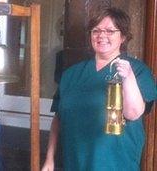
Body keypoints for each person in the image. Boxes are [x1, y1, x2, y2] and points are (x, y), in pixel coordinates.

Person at [42, 7, 157, 171]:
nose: (102, 35)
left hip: (116, 164)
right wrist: (49, 159)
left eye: (110, 31)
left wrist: (128, 77)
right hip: (75, 163)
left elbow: (133, 113)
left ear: (123, 36)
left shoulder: (138, 71)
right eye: (96, 31)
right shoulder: (71, 74)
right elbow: (58, 119)